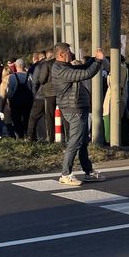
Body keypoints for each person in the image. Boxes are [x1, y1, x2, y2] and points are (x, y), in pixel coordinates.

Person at [49, 43, 102, 186]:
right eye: (68, 52)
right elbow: (86, 73)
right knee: (75, 141)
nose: (71, 54)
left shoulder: (65, 67)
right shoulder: (60, 69)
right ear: (61, 54)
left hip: (79, 107)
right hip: (73, 109)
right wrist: (98, 61)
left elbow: (82, 68)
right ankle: (65, 174)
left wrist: (92, 59)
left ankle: (88, 171)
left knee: (83, 141)